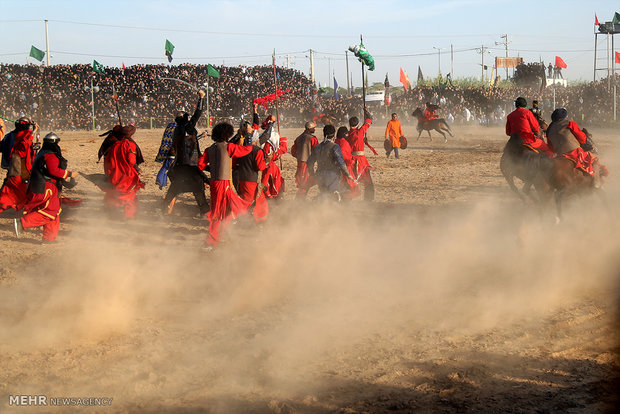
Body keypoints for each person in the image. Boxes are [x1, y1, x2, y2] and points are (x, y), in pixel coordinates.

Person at [14, 132, 78, 242]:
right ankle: (22, 223)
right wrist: (69, 174)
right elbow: (53, 170)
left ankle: (49, 238)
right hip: (45, 187)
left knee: (54, 212)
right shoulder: (50, 155)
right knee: (50, 211)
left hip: (43, 186)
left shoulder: (42, 152)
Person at [197, 122, 253, 247]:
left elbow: (200, 165)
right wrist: (249, 134)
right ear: (227, 135)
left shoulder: (209, 149)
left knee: (224, 210)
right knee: (222, 211)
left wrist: (213, 168)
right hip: (224, 183)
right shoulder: (229, 147)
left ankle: (219, 235)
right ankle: (211, 241)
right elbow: (247, 149)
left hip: (214, 183)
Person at [163, 90, 209, 216]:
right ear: (184, 119)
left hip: (180, 165)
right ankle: (204, 211)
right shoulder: (189, 126)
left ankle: (164, 208)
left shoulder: (176, 130)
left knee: (175, 188)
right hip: (192, 164)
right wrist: (201, 98)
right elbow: (198, 112)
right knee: (198, 187)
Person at [546, 108, 608, 182]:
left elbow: (550, 147)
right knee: (594, 159)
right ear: (564, 117)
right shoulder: (570, 123)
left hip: (560, 154)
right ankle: (596, 182)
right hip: (574, 152)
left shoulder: (549, 130)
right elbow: (582, 138)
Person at [103, 125, 145, 219]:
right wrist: (137, 169)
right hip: (126, 175)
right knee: (130, 196)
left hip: (115, 174)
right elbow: (131, 161)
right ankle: (129, 216)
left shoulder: (115, 144)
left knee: (113, 193)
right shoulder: (129, 145)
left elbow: (109, 161)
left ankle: (110, 212)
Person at [307, 125, 354, 201]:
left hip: (319, 175)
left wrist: (312, 174)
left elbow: (309, 162)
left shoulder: (317, 147)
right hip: (332, 175)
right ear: (334, 135)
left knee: (324, 194)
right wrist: (348, 174)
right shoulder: (335, 147)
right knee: (334, 196)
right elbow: (341, 162)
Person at [0, 118, 37, 212]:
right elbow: (24, 146)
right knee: (11, 191)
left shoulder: (9, 136)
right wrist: (34, 131)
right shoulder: (22, 138)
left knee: (9, 188)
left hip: (13, 166)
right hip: (19, 168)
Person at [347, 107, 376, 201]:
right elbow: (370, 120)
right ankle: (368, 200)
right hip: (361, 160)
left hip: (350, 160)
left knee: (350, 181)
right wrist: (366, 112)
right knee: (368, 182)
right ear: (358, 123)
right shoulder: (360, 132)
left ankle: (348, 198)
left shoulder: (347, 134)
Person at [259, 117, 287, 199]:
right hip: (268, 167)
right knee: (272, 186)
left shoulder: (260, 138)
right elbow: (281, 150)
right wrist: (282, 140)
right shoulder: (268, 143)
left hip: (264, 166)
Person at [290, 121, 318, 198]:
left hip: (300, 162)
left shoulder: (298, 138)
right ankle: (300, 201)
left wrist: (299, 155)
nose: (314, 129)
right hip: (306, 163)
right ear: (309, 128)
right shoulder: (312, 138)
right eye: (313, 128)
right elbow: (317, 150)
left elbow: (293, 152)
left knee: (303, 182)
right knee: (304, 183)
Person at [334, 126, 360, 198]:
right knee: (350, 186)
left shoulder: (336, 141)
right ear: (345, 134)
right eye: (347, 134)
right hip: (346, 167)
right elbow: (343, 155)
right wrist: (351, 161)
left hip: (336, 167)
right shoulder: (344, 143)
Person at [154, 118, 177, 189]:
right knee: (168, 167)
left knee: (166, 166)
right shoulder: (179, 127)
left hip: (168, 149)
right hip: (175, 151)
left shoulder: (170, 126)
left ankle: (161, 181)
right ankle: (161, 181)